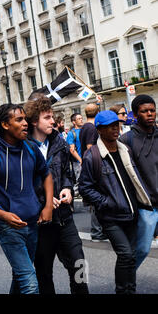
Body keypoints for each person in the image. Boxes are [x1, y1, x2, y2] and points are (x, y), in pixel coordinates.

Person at [0, 103, 54, 294]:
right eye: (19, 120)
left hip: (32, 222)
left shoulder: (31, 148)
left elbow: (47, 175)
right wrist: (3, 215)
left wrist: (48, 206)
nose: (25, 123)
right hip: (8, 227)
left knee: (20, 276)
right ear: (5, 125)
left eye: (25, 119)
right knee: (29, 282)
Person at [78, 110, 152, 294]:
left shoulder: (125, 149)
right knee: (125, 254)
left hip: (131, 212)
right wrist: (106, 202)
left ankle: (130, 290)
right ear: (100, 130)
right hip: (110, 216)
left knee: (132, 256)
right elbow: (84, 188)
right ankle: (121, 290)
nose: (115, 129)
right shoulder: (92, 156)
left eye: (117, 125)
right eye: (110, 126)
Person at [24, 94, 89, 294]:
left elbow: (67, 173)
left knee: (79, 265)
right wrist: (43, 200)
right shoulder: (23, 148)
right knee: (44, 274)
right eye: (47, 117)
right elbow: (22, 185)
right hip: (41, 223)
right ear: (35, 121)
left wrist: (67, 188)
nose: (53, 121)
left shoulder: (59, 143)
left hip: (64, 219)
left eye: (52, 116)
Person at [119, 94, 157, 269]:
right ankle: (126, 280)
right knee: (141, 249)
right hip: (145, 206)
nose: (150, 114)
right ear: (135, 114)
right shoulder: (127, 140)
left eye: (152, 110)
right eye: (145, 111)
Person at [79, 103, 106, 242]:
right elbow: (90, 148)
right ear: (97, 112)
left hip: (89, 166)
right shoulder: (91, 128)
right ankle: (97, 232)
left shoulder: (84, 127)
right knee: (97, 200)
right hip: (94, 166)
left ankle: (101, 230)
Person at [66, 113, 84, 196]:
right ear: (74, 122)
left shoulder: (84, 130)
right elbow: (71, 149)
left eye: (81, 118)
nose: (81, 120)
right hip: (78, 161)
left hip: (86, 159)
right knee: (79, 181)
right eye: (79, 118)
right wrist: (80, 160)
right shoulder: (71, 133)